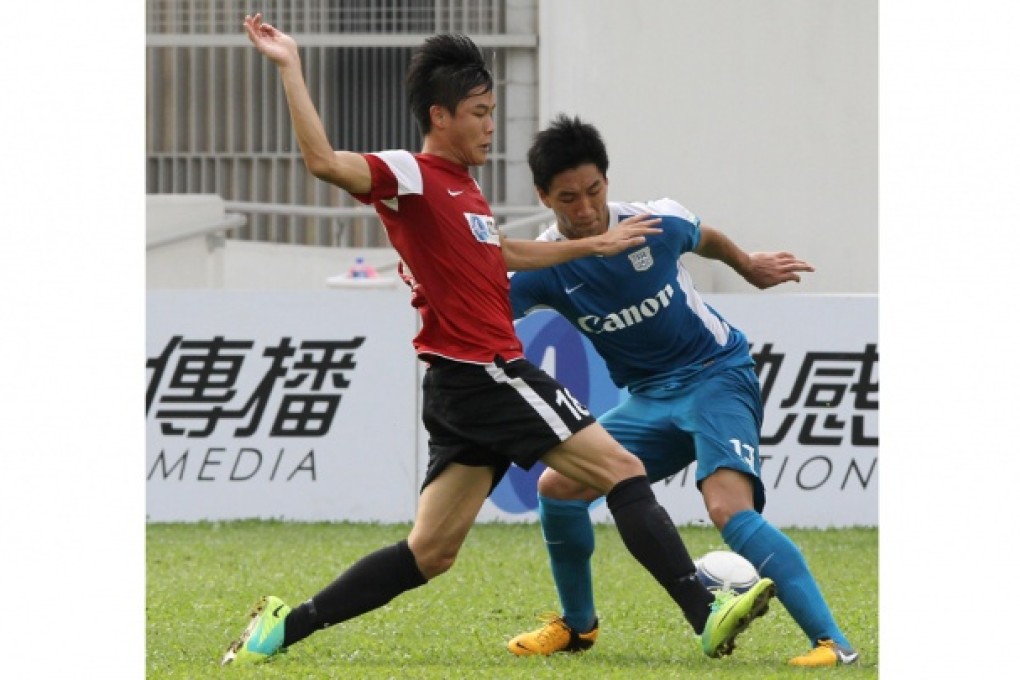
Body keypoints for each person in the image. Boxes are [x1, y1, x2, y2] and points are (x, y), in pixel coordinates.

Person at [222, 15, 775, 666]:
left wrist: (590, 244)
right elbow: (323, 162)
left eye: (493, 110)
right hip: (488, 371)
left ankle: (283, 629)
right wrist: (290, 65)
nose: (492, 125)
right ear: (440, 115)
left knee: (429, 553)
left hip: (460, 386)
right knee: (621, 469)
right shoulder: (415, 175)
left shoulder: (464, 189)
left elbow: (501, 253)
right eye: (480, 113)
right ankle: (705, 612)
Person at [504, 115, 859, 668]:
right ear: (543, 196)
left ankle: (835, 645)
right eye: (568, 198)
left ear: (606, 180)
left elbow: (704, 235)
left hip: (717, 373)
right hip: (648, 399)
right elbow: (487, 311)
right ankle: (578, 627)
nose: (586, 209)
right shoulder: (544, 268)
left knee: (726, 507)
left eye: (594, 191)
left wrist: (749, 265)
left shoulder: (654, 223)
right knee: (557, 489)